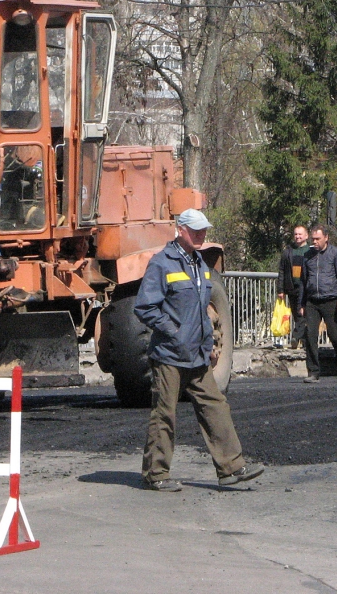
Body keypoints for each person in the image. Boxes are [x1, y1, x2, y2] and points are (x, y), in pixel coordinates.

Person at [135, 209, 264, 492]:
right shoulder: (162, 264)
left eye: (203, 229)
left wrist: (208, 344)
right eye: (195, 230)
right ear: (180, 229)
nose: (201, 234)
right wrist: (174, 331)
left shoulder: (200, 265)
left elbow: (204, 311)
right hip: (169, 354)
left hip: (196, 355)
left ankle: (231, 468)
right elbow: (144, 307)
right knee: (164, 413)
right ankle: (155, 474)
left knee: (215, 405)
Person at [299, 225, 337, 382]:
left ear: (326, 238)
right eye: (313, 239)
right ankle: (313, 372)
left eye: (317, 239)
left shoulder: (336, 254)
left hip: (331, 300)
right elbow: (303, 281)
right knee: (310, 335)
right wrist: (301, 304)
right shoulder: (307, 256)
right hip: (312, 301)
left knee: (335, 336)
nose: (314, 242)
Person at [277, 225, 309, 349]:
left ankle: (296, 337)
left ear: (306, 236)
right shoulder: (288, 251)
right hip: (292, 287)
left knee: (302, 314)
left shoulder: (310, 251)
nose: (298, 236)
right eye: (296, 234)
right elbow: (282, 271)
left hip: (305, 289)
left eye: (300, 234)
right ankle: (304, 341)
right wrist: (281, 289)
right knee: (297, 315)